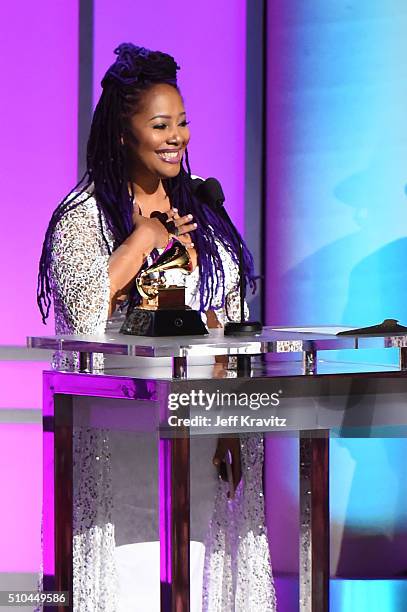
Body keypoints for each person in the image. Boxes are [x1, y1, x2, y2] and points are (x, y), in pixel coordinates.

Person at [37, 43, 276, 611]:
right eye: (161, 124)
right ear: (125, 134)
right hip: (123, 438)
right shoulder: (86, 214)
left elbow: (230, 320)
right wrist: (144, 237)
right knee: (137, 578)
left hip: (199, 430)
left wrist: (233, 423)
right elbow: (86, 314)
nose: (177, 137)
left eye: (184, 123)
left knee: (197, 576)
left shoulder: (203, 208)